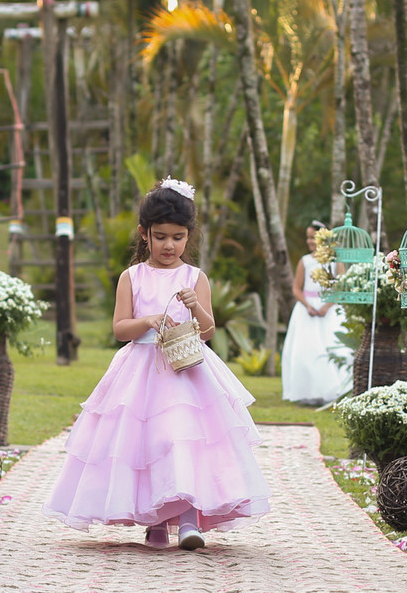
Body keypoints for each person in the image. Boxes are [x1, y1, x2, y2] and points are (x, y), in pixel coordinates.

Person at [43, 178, 272, 550]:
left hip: (186, 373)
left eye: (178, 237)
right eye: (161, 236)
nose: (169, 245)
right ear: (144, 234)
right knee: (145, 445)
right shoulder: (131, 277)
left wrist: (193, 305)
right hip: (141, 371)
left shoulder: (194, 277)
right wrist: (148, 320)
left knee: (182, 440)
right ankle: (153, 521)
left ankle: (187, 521)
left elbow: (209, 330)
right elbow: (120, 328)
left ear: (189, 236)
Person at [281, 221, 352, 405]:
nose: (310, 241)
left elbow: (341, 286)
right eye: (308, 237)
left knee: (333, 348)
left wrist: (327, 306)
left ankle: (336, 391)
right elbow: (297, 289)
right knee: (306, 351)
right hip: (307, 311)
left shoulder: (336, 261)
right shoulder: (305, 261)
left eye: (313, 237)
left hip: (330, 309)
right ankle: (307, 393)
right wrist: (308, 306)